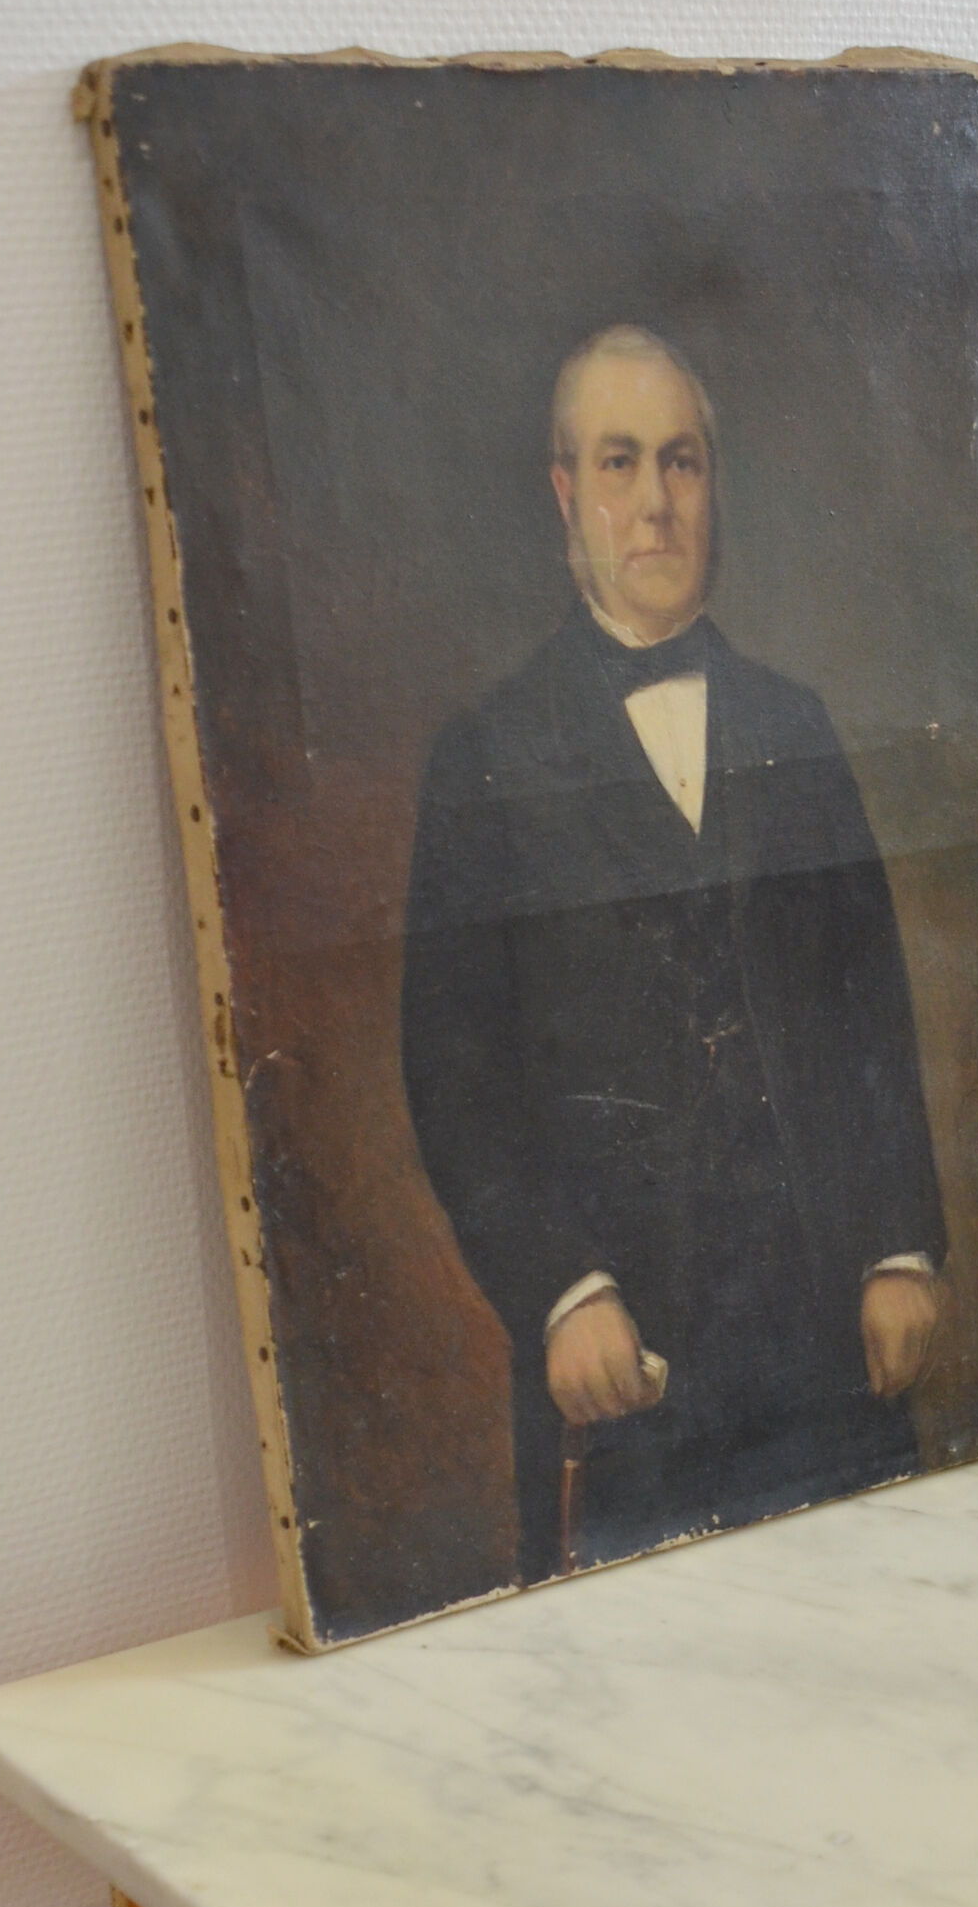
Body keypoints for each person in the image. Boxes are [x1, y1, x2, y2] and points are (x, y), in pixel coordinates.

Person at [401, 323, 947, 1580]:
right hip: (627, 1368)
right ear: (565, 494)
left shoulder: (792, 722)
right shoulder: (486, 757)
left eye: (684, 462)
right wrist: (562, 1291)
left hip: (830, 1349)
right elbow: (454, 1073)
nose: (653, 502)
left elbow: (871, 1012)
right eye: (618, 462)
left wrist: (898, 1247)